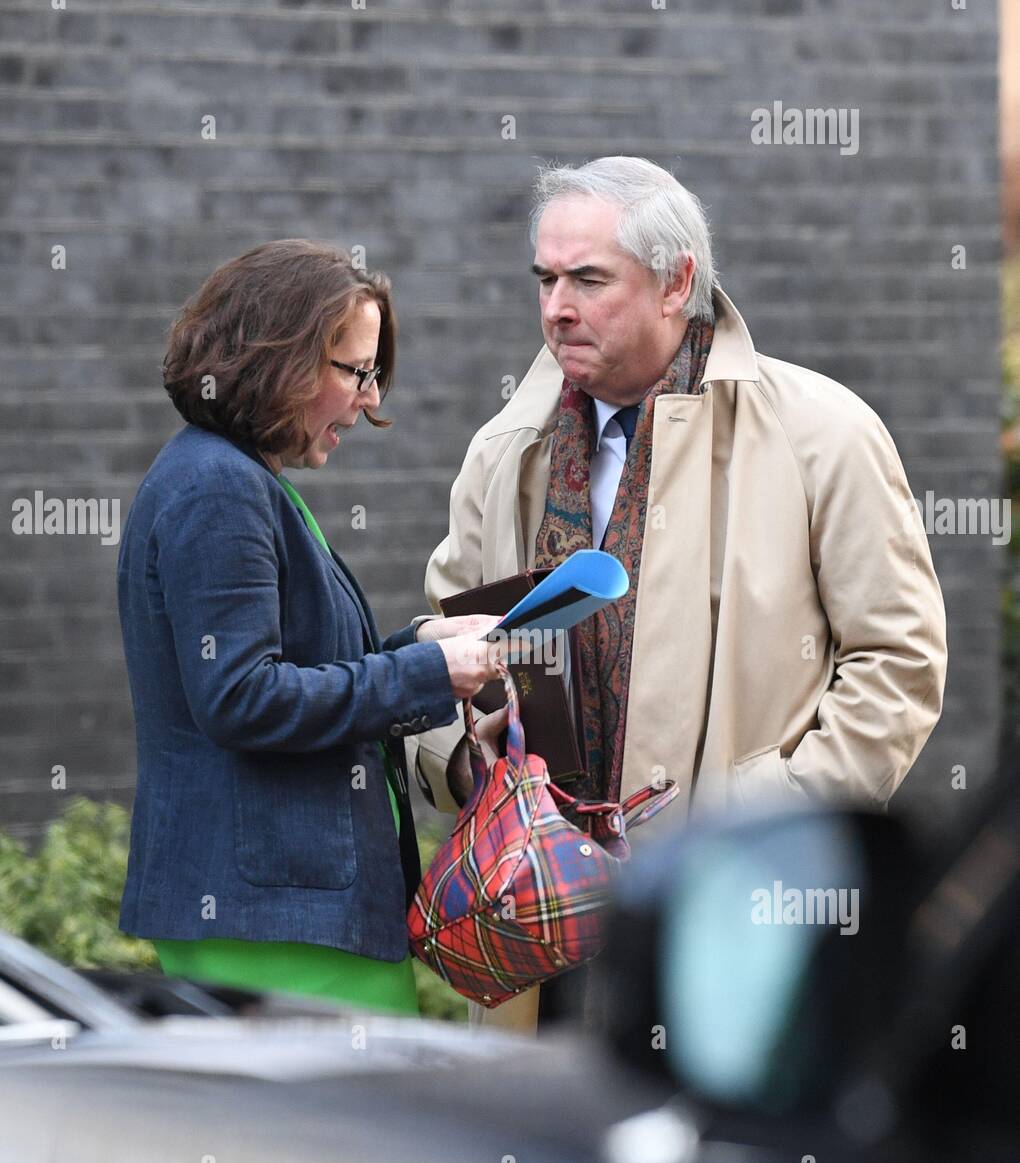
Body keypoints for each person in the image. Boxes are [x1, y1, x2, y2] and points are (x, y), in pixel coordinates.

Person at [412, 157, 948, 1034]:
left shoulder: (824, 433)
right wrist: (470, 764)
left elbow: (900, 661)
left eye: (589, 279)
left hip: (727, 915)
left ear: (677, 284)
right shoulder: (504, 448)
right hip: (535, 921)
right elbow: (447, 640)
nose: (557, 306)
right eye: (546, 279)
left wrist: (762, 826)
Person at [117, 239, 503, 1016]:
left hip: (285, 915)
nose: (368, 400)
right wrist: (429, 676)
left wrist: (419, 649)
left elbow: (294, 670)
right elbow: (242, 698)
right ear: (279, 359)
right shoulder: (219, 488)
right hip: (275, 921)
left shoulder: (240, 476)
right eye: (355, 371)